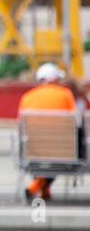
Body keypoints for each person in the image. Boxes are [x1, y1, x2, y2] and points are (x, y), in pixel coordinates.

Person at [18, 63, 79, 202]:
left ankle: (40, 188)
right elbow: (76, 121)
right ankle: (37, 188)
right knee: (56, 158)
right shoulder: (65, 94)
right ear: (53, 79)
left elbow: (20, 125)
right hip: (62, 150)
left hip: (32, 149)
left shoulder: (27, 97)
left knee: (45, 159)